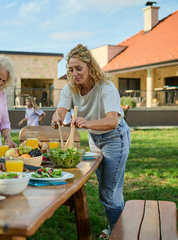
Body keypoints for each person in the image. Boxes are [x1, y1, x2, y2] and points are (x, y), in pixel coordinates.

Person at [51, 44, 131, 238]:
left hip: (115, 137)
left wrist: (87, 123)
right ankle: (116, 228)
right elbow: (61, 110)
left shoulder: (105, 87)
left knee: (109, 192)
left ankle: (118, 234)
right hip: (95, 137)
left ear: (90, 67)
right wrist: (57, 117)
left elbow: (113, 120)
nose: (75, 73)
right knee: (108, 188)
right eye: (71, 69)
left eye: (79, 68)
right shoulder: (70, 89)